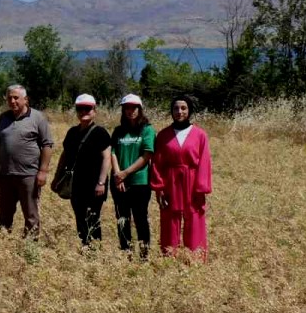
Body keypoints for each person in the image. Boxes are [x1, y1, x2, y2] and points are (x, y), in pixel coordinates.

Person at [149, 95, 213, 260]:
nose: (179, 111)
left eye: (183, 108)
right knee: (169, 220)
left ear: (189, 110)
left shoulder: (200, 134)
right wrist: (159, 188)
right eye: (176, 108)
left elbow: (204, 162)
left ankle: (195, 259)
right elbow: (157, 163)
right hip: (170, 181)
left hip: (192, 181)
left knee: (195, 219)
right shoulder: (163, 135)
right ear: (171, 111)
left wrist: (201, 188)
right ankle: (169, 258)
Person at [0, 85, 53, 238]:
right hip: (5, 175)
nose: (12, 101)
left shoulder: (38, 118)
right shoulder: (2, 118)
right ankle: (2, 242)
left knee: (31, 214)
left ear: (25, 99)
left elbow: (47, 145)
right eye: (9, 98)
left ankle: (30, 245)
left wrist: (43, 171)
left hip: (29, 175)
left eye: (16, 98)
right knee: (4, 214)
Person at [53, 94, 111, 246]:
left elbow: (107, 158)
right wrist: (56, 177)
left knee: (92, 218)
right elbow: (64, 156)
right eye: (80, 109)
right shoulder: (72, 132)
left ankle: (95, 249)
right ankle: (85, 247)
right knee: (79, 218)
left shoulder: (100, 132)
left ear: (94, 110)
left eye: (87, 108)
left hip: (94, 185)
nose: (84, 112)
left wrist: (101, 183)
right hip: (76, 184)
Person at [109, 94, 156, 258]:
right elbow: (113, 152)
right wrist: (117, 175)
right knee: (122, 219)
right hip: (119, 182)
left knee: (140, 218)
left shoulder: (147, 130)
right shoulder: (118, 131)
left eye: (134, 107)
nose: (130, 111)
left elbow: (147, 155)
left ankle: (144, 255)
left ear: (140, 109)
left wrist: (125, 173)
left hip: (139, 182)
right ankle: (126, 254)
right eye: (127, 108)